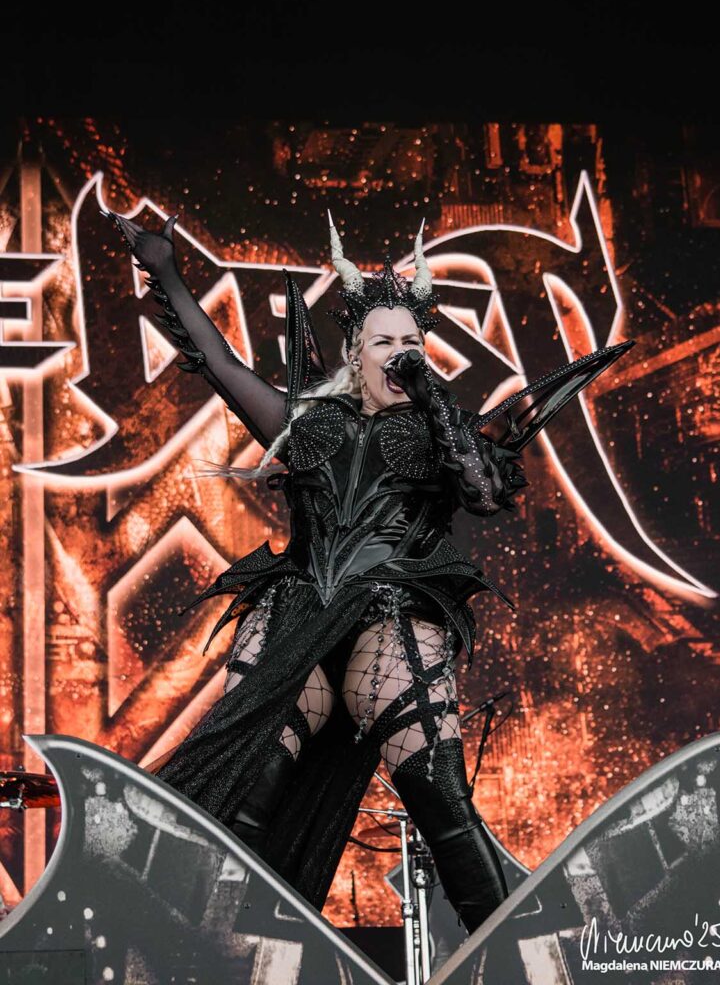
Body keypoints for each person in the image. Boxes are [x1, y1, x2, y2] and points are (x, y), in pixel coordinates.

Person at [102, 206, 634, 934]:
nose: (401, 352)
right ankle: (216, 944)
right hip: (300, 619)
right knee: (253, 783)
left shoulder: (443, 434)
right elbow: (222, 364)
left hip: (389, 618)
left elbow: (484, 492)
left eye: (412, 342)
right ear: (356, 353)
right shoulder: (307, 422)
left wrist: (434, 398)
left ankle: (505, 949)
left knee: (440, 795)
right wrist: (165, 269)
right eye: (385, 341)